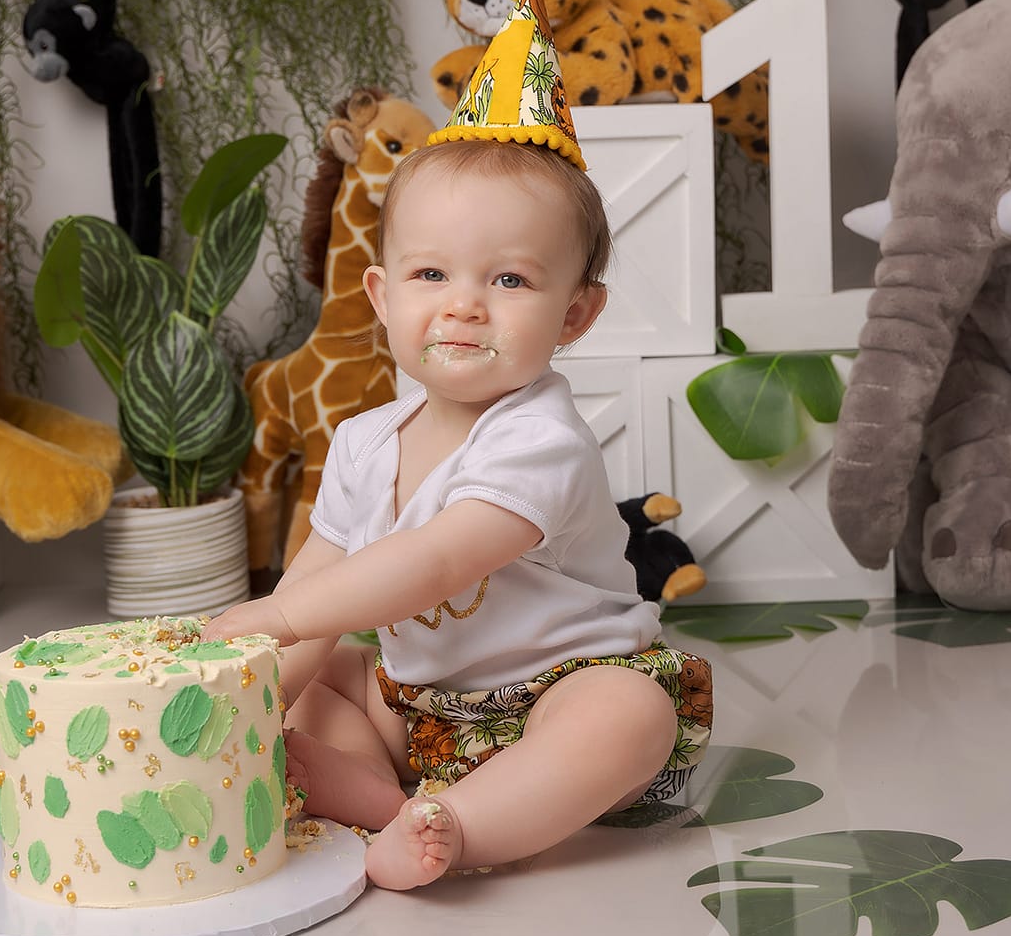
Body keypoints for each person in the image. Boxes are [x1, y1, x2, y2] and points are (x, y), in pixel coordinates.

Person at [204, 134, 713, 890]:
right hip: (421, 713)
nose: (464, 305)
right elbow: (315, 579)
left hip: (555, 696)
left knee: (629, 715)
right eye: (431, 273)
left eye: (509, 279)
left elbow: (436, 562)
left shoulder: (543, 440)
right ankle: (382, 798)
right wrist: (257, 692)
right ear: (382, 295)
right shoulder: (361, 442)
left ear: (574, 313)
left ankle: (464, 828)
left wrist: (282, 620)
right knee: (322, 674)